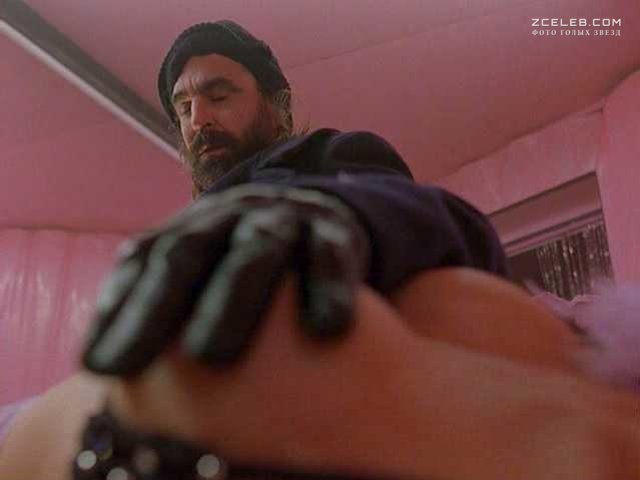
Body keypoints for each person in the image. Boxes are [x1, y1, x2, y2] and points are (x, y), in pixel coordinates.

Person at [2, 20, 639, 480]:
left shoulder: (330, 156)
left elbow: (449, 224)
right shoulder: (186, 230)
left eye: (219, 95)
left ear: (278, 108)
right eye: (184, 107)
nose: (198, 119)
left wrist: (335, 213)